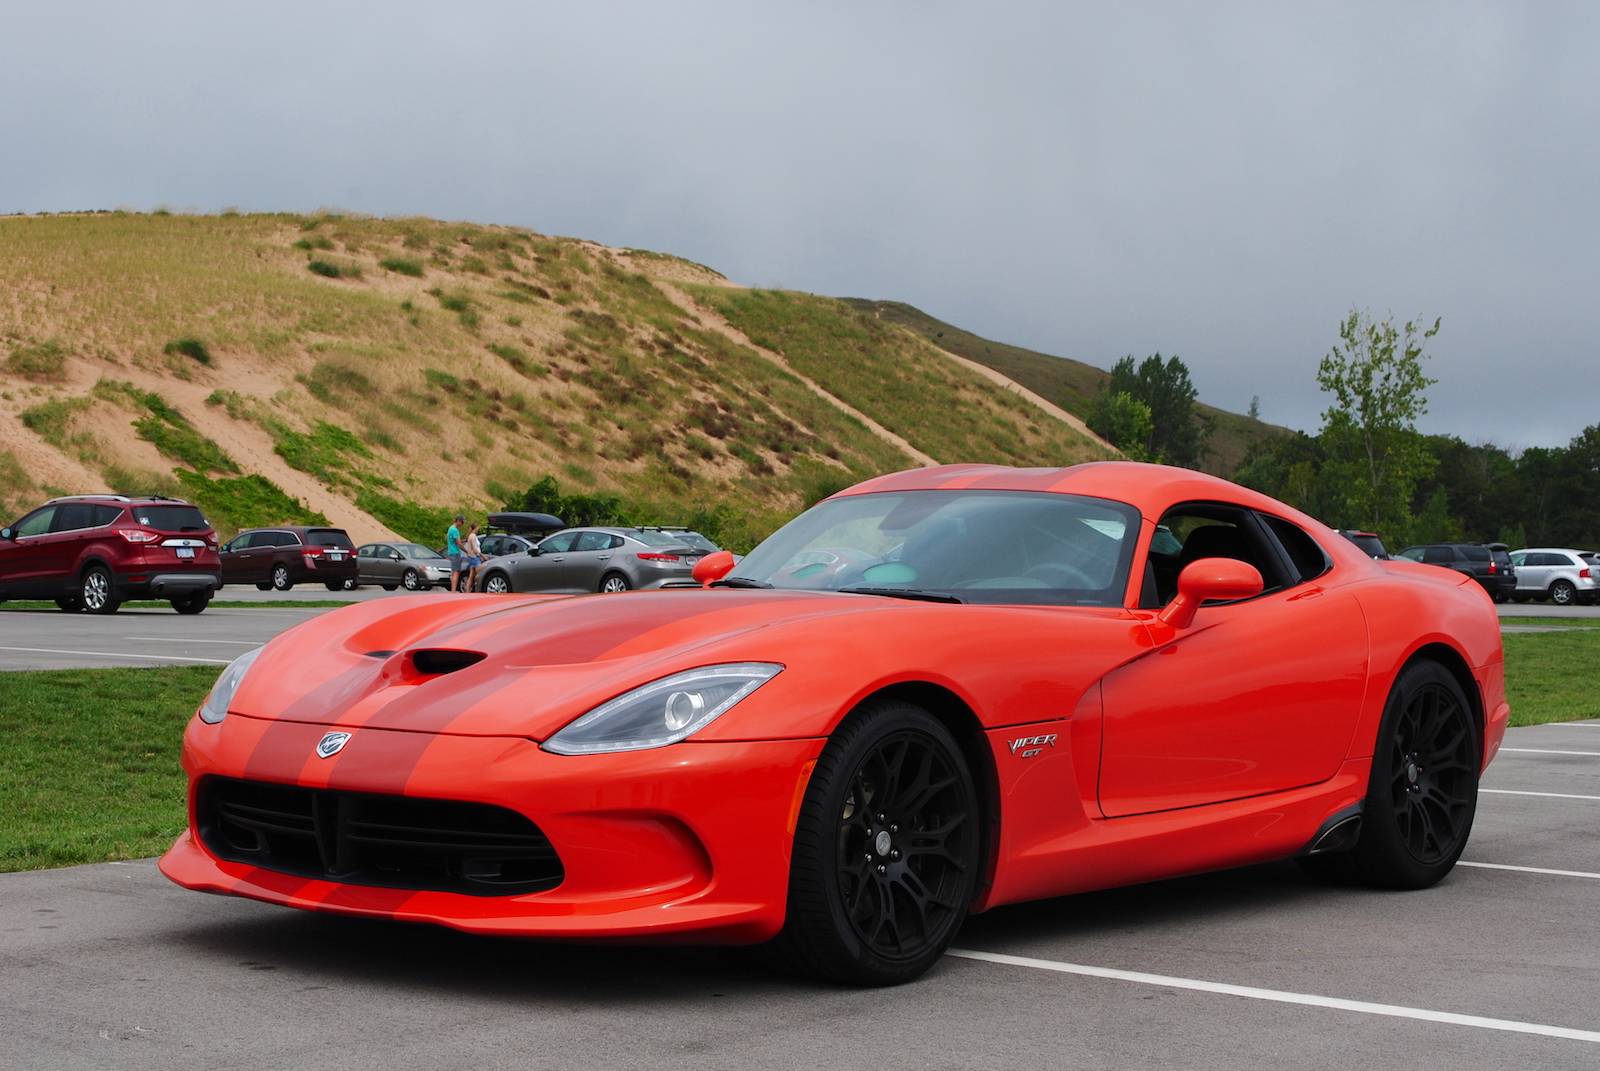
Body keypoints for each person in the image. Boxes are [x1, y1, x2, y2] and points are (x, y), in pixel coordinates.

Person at [446, 514, 464, 592]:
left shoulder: (450, 528)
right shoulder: (455, 530)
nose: (462, 524)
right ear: (458, 521)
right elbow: (458, 543)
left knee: (453, 572)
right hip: (455, 552)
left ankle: (452, 590)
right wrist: (466, 550)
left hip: (451, 552)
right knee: (456, 572)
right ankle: (453, 591)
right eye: (462, 522)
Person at [462, 522, 483, 592]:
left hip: (471, 557)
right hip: (475, 557)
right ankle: (478, 589)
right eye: (477, 528)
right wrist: (482, 555)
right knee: (481, 572)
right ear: (475, 528)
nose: (478, 530)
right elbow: (474, 548)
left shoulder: (470, 536)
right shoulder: (473, 536)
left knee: (471, 575)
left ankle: (467, 590)